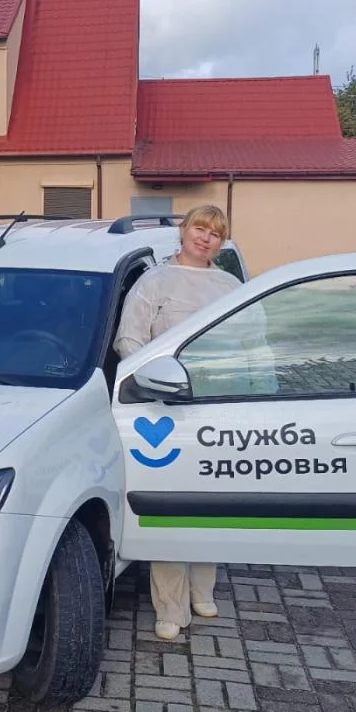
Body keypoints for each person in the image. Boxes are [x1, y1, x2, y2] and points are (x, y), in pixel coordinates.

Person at [114, 204, 242, 642]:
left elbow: (248, 341)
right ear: (184, 231)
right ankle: (170, 607)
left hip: (216, 407)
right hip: (164, 410)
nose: (206, 238)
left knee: (209, 503)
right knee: (171, 508)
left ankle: (202, 589)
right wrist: (157, 380)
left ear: (221, 243)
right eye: (200, 228)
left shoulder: (230, 286)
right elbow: (130, 339)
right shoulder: (155, 281)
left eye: (215, 234)